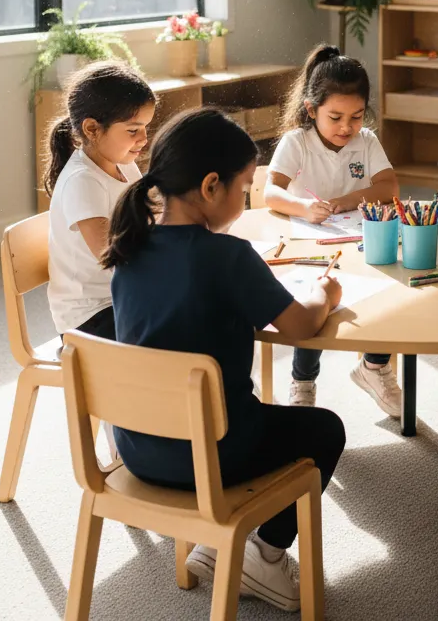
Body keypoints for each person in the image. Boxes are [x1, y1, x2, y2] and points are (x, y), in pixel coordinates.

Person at [104, 107, 346, 613]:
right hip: (213, 457)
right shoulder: (229, 256)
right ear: (211, 186)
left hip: (140, 451)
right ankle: (265, 557)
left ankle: (224, 546)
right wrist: (326, 293)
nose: (246, 197)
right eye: (245, 186)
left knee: (255, 414)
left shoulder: (129, 251)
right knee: (326, 429)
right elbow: (301, 327)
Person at [265, 44, 402, 415]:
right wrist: (304, 207)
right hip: (311, 246)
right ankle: (303, 382)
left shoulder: (366, 141)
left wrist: (342, 201)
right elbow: (270, 191)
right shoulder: (297, 142)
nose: (347, 127)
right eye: (336, 117)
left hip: (357, 241)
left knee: (389, 288)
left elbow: (388, 187)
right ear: (312, 110)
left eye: (357, 116)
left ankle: (375, 366)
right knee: (315, 306)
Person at [46, 60, 156, 340]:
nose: (144, 138)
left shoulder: (125, 165)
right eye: (133, 130)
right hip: (91, 318)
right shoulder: (82, 182)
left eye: (145, 127)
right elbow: (115, 258)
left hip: (122, 298)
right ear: (92, 129)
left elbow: (150, 218)